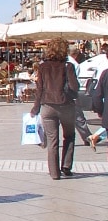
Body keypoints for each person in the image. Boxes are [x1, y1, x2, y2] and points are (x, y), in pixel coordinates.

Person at [30, 38, 79, 180]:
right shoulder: (68, 66)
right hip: (66, 106)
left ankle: (54, 173)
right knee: (69, 136)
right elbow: (75, 87)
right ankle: (66, 166)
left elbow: (39, 89)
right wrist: (70, 95)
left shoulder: (43, 66)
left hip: (47, 106)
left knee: (52, 140)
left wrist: (35, 108)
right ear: (65, 50)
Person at [67, 45, 92, 146]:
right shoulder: (74, 64)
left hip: (56, 95)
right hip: (71, 94)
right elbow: (74, 81)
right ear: (75, 54)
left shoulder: (60, 61)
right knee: (78, 117)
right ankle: (88, 137)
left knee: (55, 118)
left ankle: (44, 139)